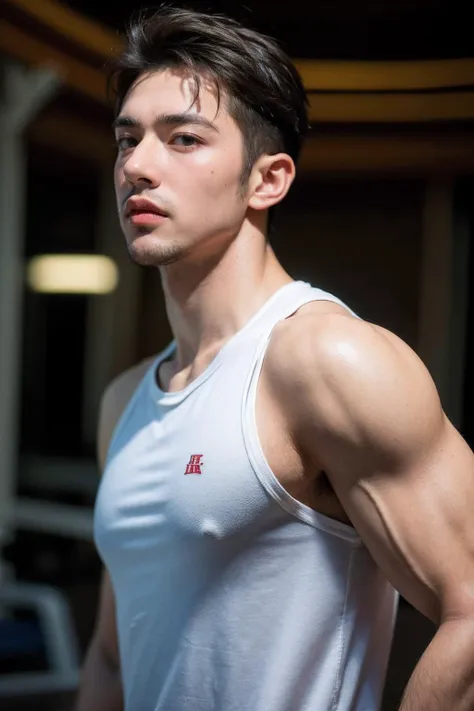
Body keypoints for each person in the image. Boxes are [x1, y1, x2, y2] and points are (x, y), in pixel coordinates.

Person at [75, 6, 474, 711]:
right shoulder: (126, 400)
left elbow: (469, 607)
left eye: (184, 138)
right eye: (127, 139)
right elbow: (112, 654)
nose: (137, 165)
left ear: (269, 180)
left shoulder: (325, 358)